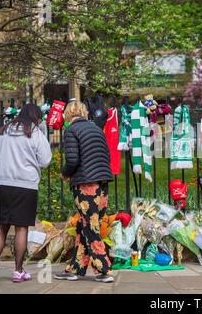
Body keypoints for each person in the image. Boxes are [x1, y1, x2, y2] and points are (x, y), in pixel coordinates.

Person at [0, 103, 52, 282]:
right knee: (21, 228)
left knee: (2, 226)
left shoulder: (4, 131)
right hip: (27, 185)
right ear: (36, 117)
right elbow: (45, 161)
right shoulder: (36, 133)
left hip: (5, 184)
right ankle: (17, 271)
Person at [54, 100, 115, 283]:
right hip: (102, 183)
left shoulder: (72, 130)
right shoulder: (96, 129)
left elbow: (72, 160)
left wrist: (65, 174)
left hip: (86, 185)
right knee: (83, 227)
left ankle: (104, 269)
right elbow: (106, 155)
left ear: (68, 115)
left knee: (90, 227)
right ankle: (76, 268)